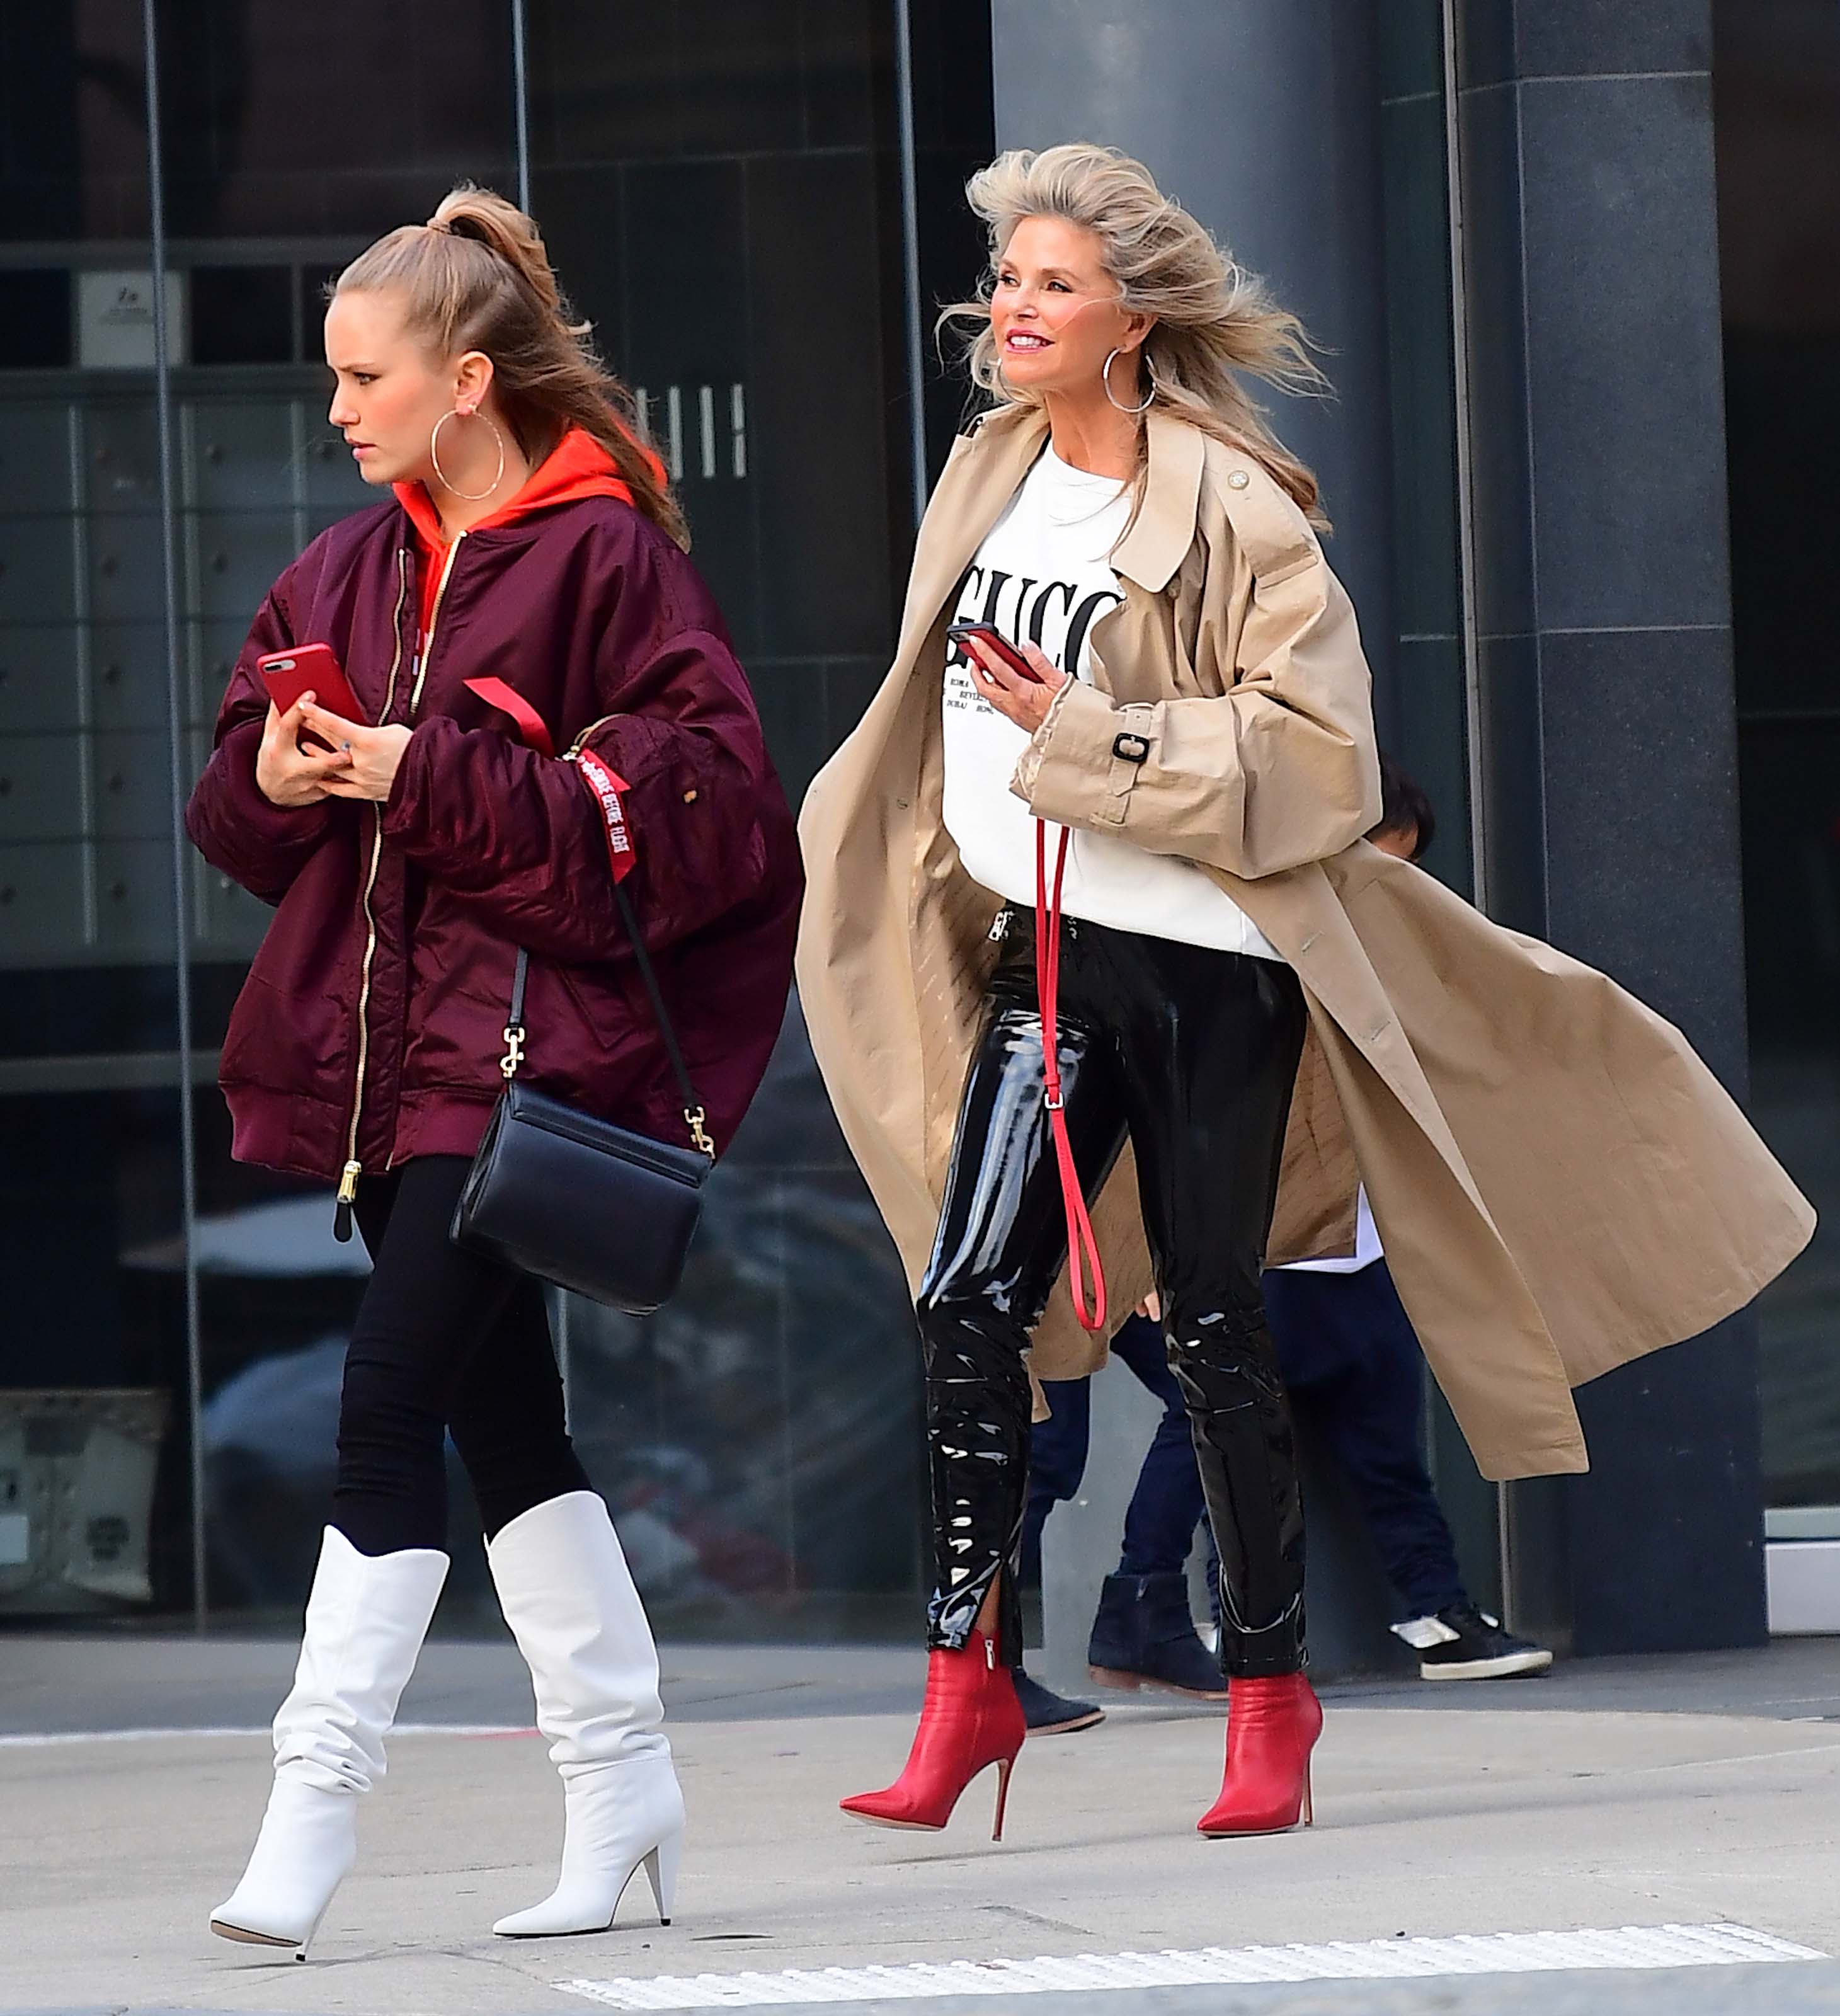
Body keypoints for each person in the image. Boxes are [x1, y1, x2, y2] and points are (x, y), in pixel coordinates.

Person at [795, 141, 1811, 1847]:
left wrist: (1088, 735)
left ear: (1132, 316)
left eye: (1050, 282)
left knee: (1210, 1331)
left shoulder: (1234, 506)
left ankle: (1269, 1694)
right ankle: (964, 1687)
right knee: (964, 1302)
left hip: (1205, 965)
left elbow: (1323, 764)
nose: (1011, 308)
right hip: (1029, 954)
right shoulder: (987, 476)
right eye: (1008, 278)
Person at [185, 185, 801, 1956]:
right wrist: (291, 780)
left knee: (386, 1406)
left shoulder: (611, 565)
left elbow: (710, 829)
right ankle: (625, 1793)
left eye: (363, 379)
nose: (338, 412)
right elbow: (233, 806)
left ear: (465, 380)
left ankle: (312, 1816)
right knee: (502, 1420)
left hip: (529, 1065)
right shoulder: (346, 565)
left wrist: (414, 773)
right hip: (393, 1071)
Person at [1264, 759, 1548, 1681]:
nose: (1387, 890)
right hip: (1269, 1253)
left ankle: (1437, 1611)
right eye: (1376, 866)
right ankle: (1150, 1610)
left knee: (1382, 1447)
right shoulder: (1259, 957)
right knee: (1211, 1454)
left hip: (1360, 1251)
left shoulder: (1383, 964)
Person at [1016, 1326, 1225, 1736]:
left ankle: (1145, 1615)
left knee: (1211, 1392)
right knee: (1044, 1447)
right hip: (1043, 1276)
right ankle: (980, 1670)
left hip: (1113, 1267)